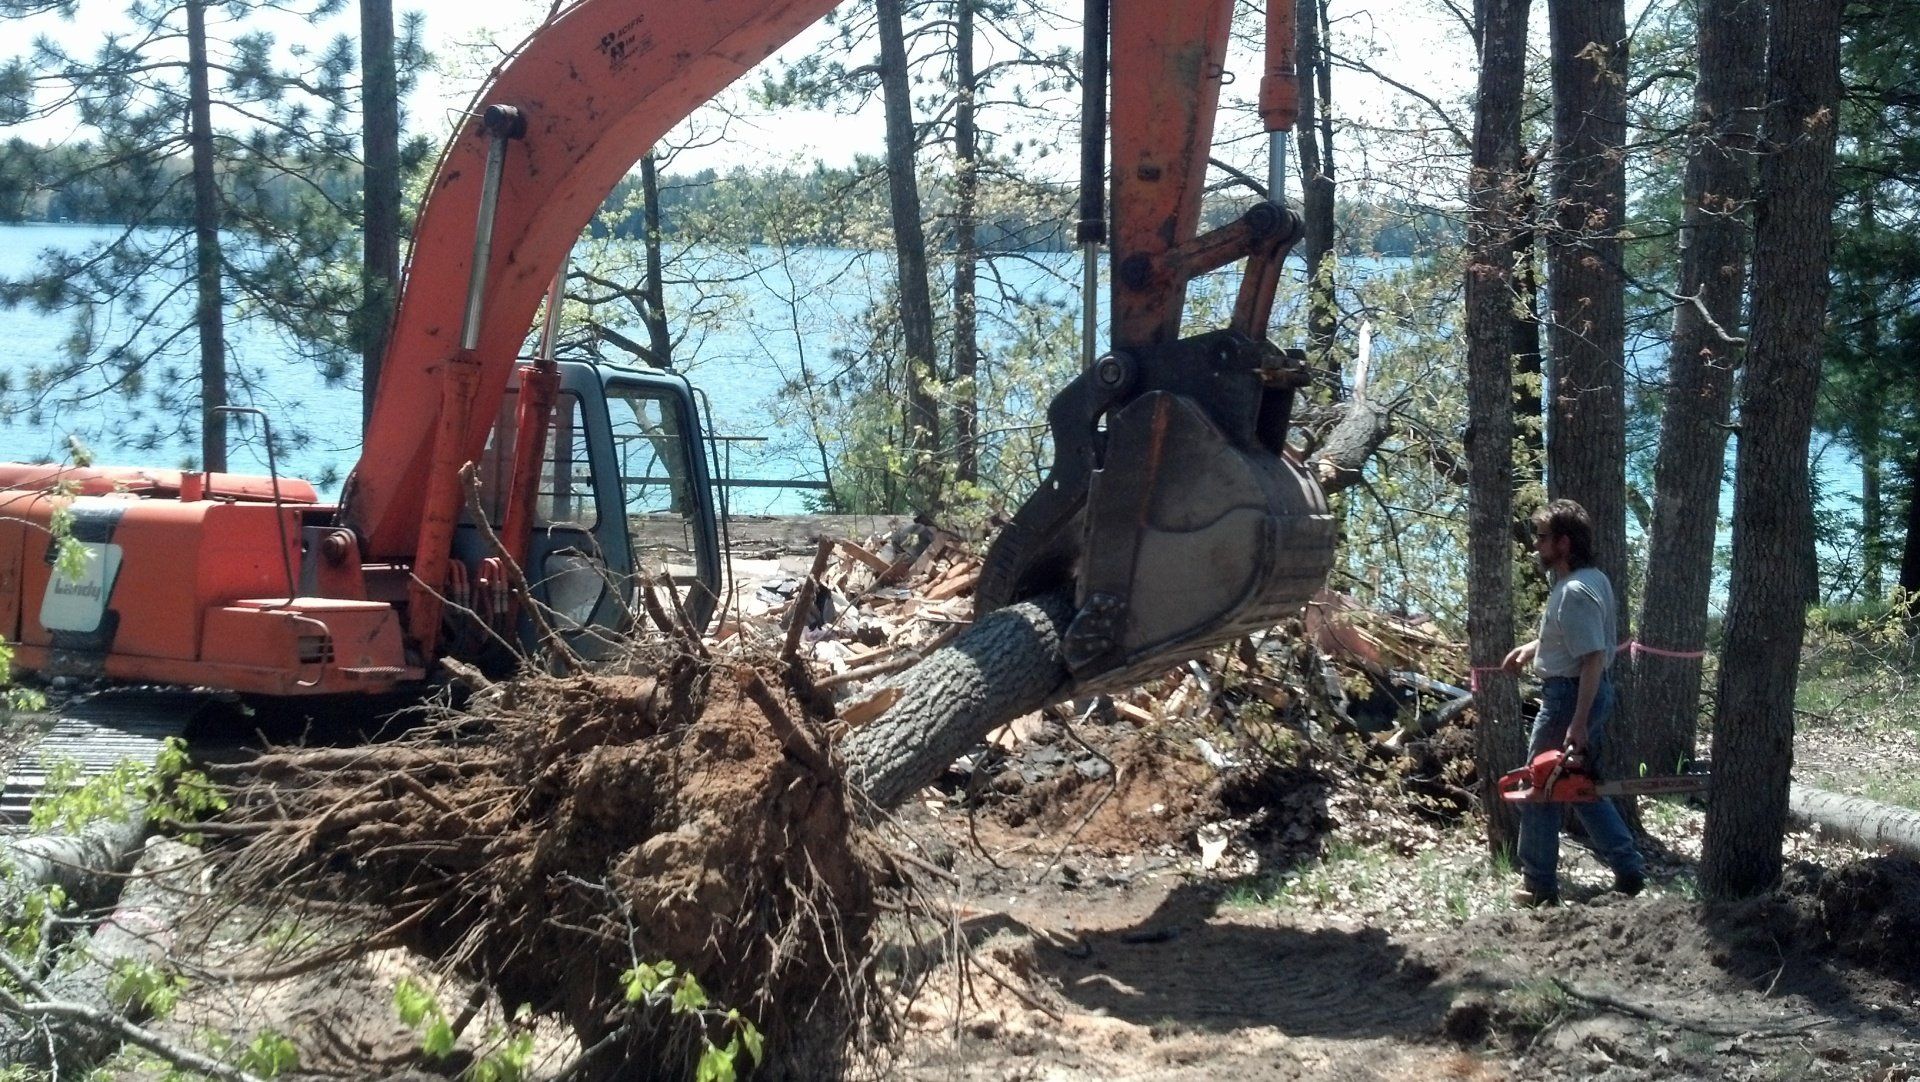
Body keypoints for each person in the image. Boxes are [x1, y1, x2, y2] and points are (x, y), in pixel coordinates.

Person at [1501, 499, 1645, 906]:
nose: (1536, 545)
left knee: (1541, 785)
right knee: (1574, 787)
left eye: (1542, 537)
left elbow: (1593, 657)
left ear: (1563, 543)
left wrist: (1577, 721)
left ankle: (1539, 885)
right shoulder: (1588, 580)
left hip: (1569, 696)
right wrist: (1533, 648)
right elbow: (1577, 639)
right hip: (1576, 692)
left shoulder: (1576, 591)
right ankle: (1628, 868)